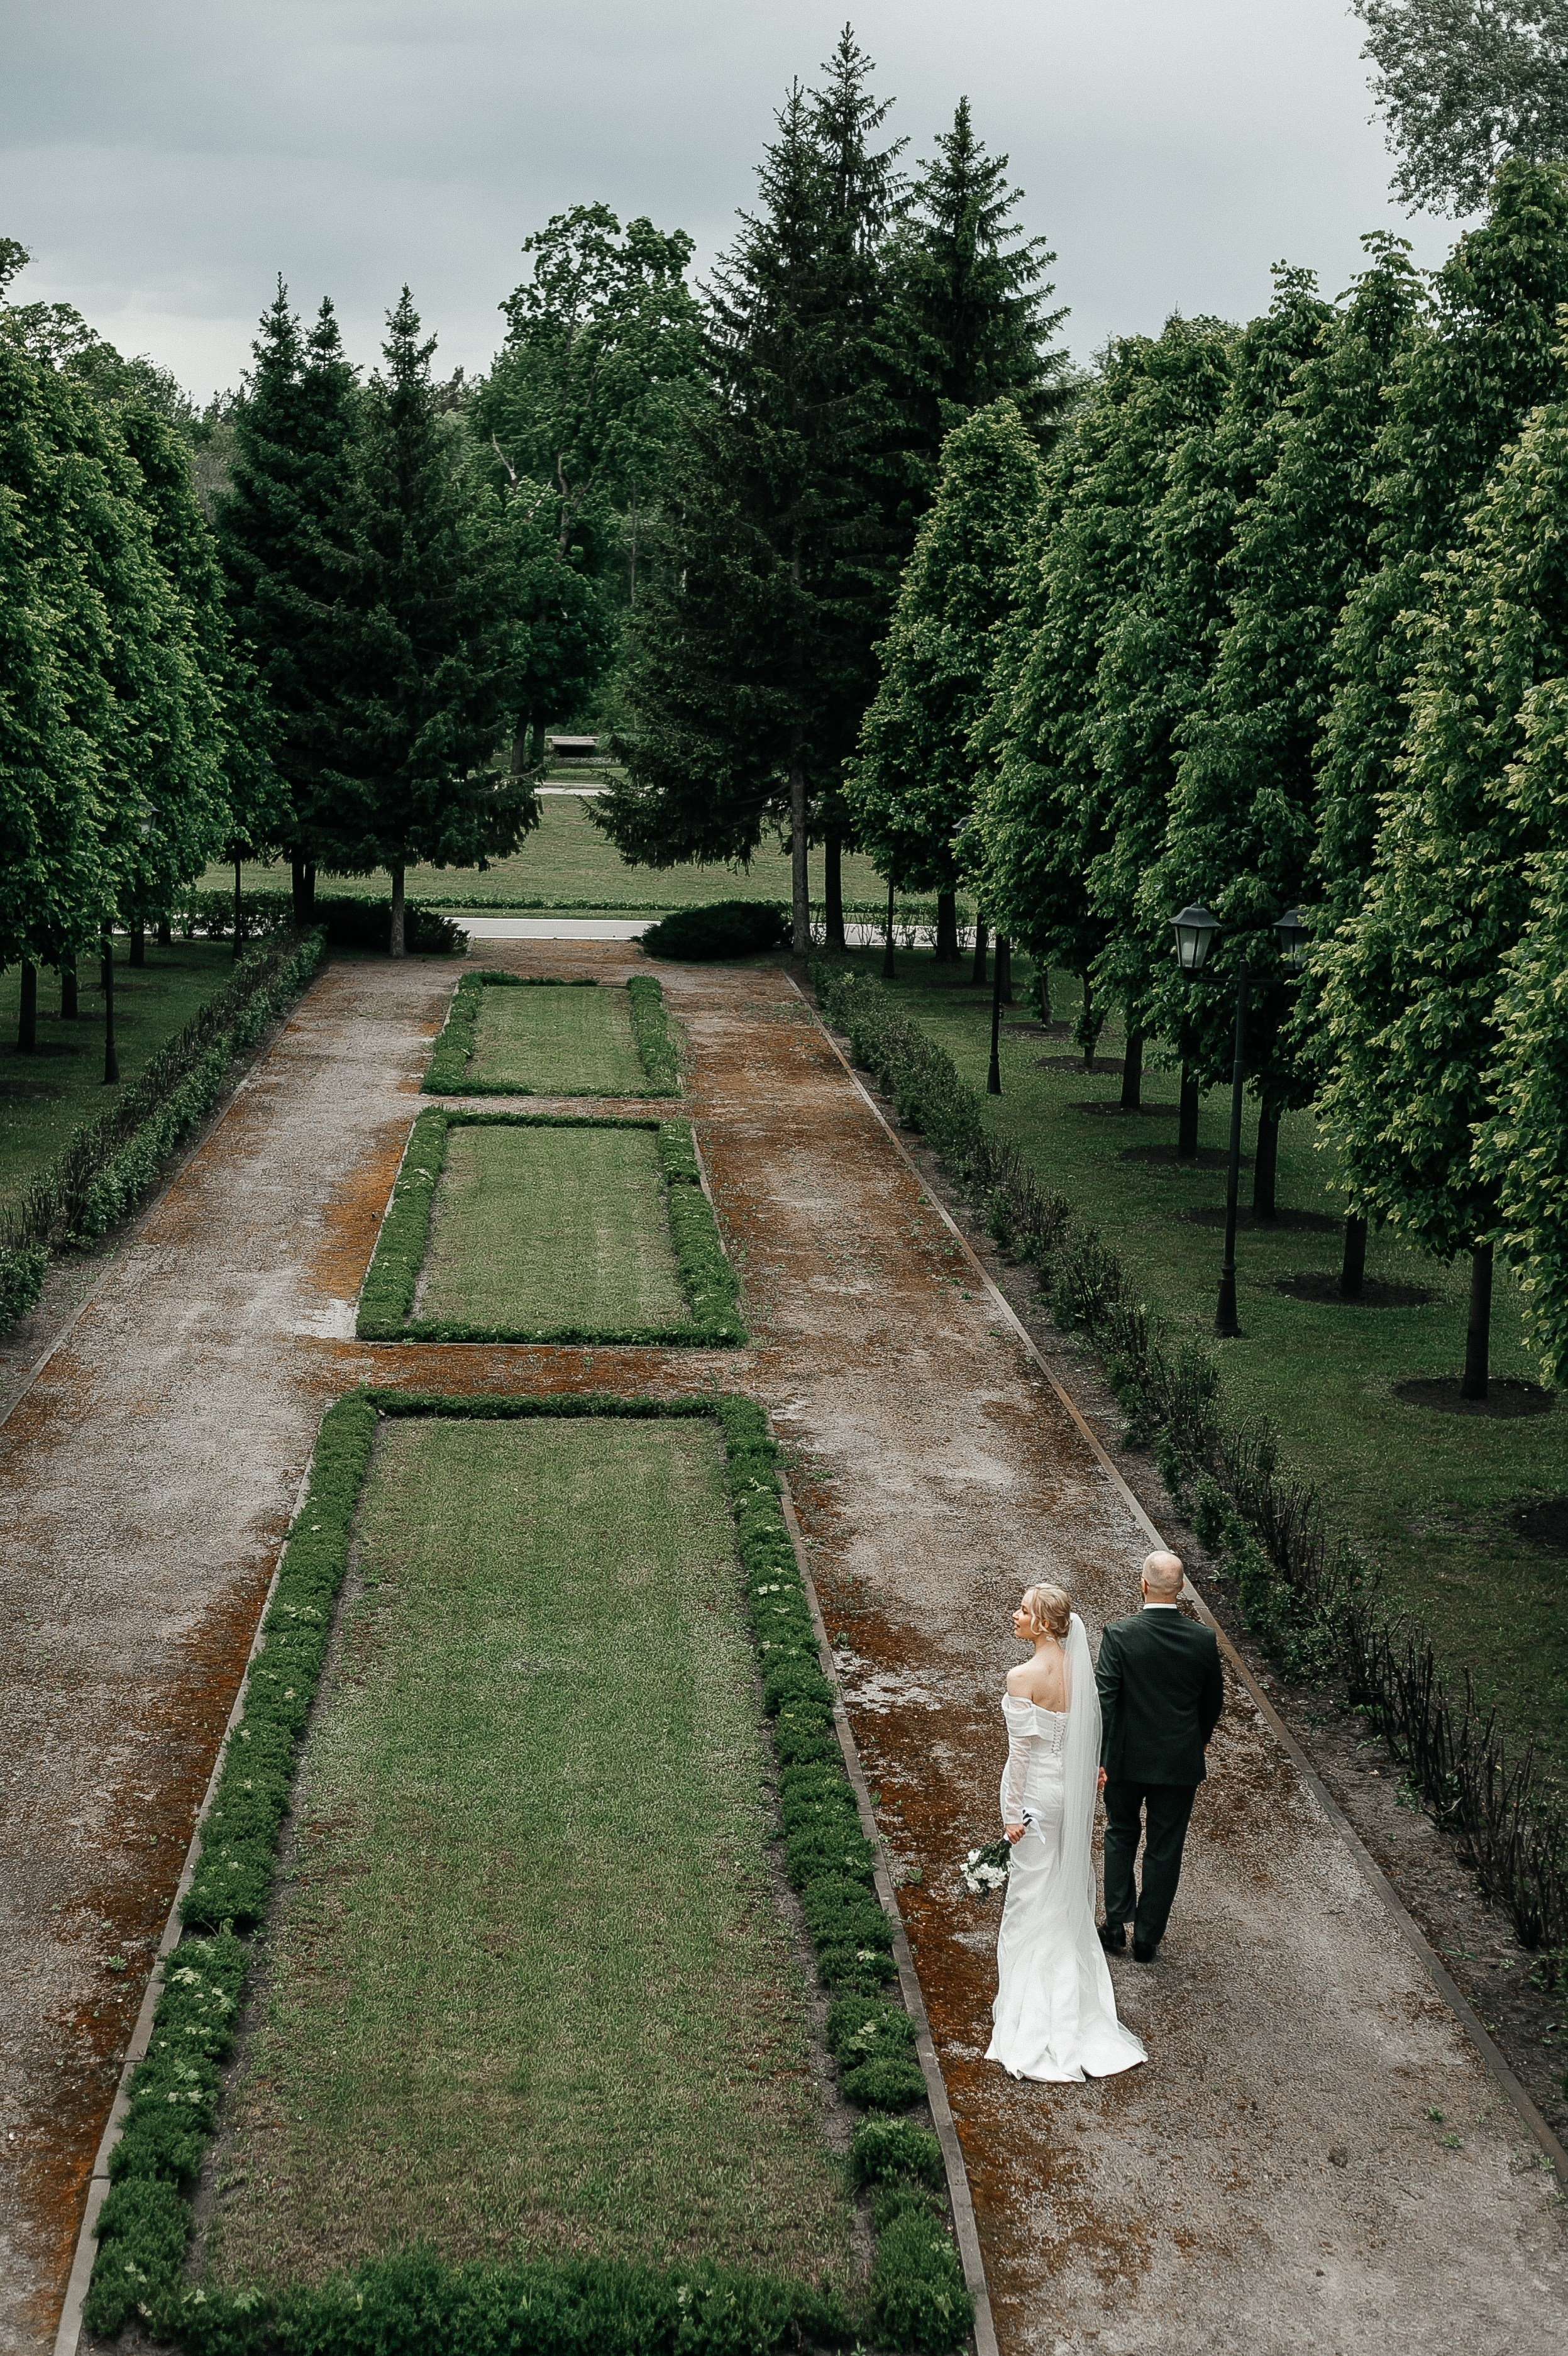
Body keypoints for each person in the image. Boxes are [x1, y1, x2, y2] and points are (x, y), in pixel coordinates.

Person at [985, 1583, 1147, 2082]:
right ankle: (1075, 2003)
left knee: (1029, 1895)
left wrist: (1011, 1814)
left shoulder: (1022, 1676)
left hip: (1036, 1798)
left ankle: (1030, 2015)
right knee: (1061, 1886)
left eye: (1023, 1610)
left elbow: (1022, 1755)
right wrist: (1091, 1775)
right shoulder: (1080, 1674)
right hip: (1068, 1797)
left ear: (1042, 1623)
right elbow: (1088, 1735)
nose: (1015, 1615)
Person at [1095, 1550, 1224, 1965]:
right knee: (1165, 1848)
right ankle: (1148, 1937)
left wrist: (1101, 1757)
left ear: (1143, 1583)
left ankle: (1115, 1924)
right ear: (1182, 1588)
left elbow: (1106, 1702)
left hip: (1125, 1759)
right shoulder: (1203, 1640)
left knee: (1121, 1833)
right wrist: (1199, 1740)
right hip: (1178, 1762)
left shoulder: (1119, 1634)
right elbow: (1212, 1702)